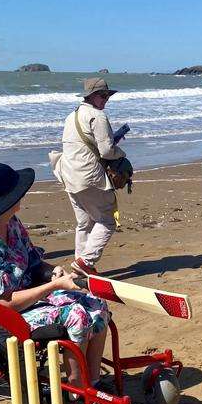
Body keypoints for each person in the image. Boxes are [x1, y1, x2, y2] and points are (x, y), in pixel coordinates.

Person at [0, 163, 109, 385]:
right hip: (1, 314)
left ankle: (92, 385)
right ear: (3, 202)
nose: (21, 197)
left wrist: (51, 271)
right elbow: (2, 303)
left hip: (29, 297)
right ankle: (77, 392)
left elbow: (33, 261)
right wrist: (53, 286)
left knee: (97, 302)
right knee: (77, 315)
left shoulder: (10, 223)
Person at [55, 78, 126, 276]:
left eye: (107, 96)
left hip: (68, 175)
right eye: (103, 96)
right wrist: (122, 153)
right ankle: (86, 262)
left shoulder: (72, 116)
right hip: (89, 177)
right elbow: (107, 151)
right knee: (107, 220)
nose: (106, 99)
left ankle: (79, 271)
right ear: (92, 96)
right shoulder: (98, 117)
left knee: (84, 223)